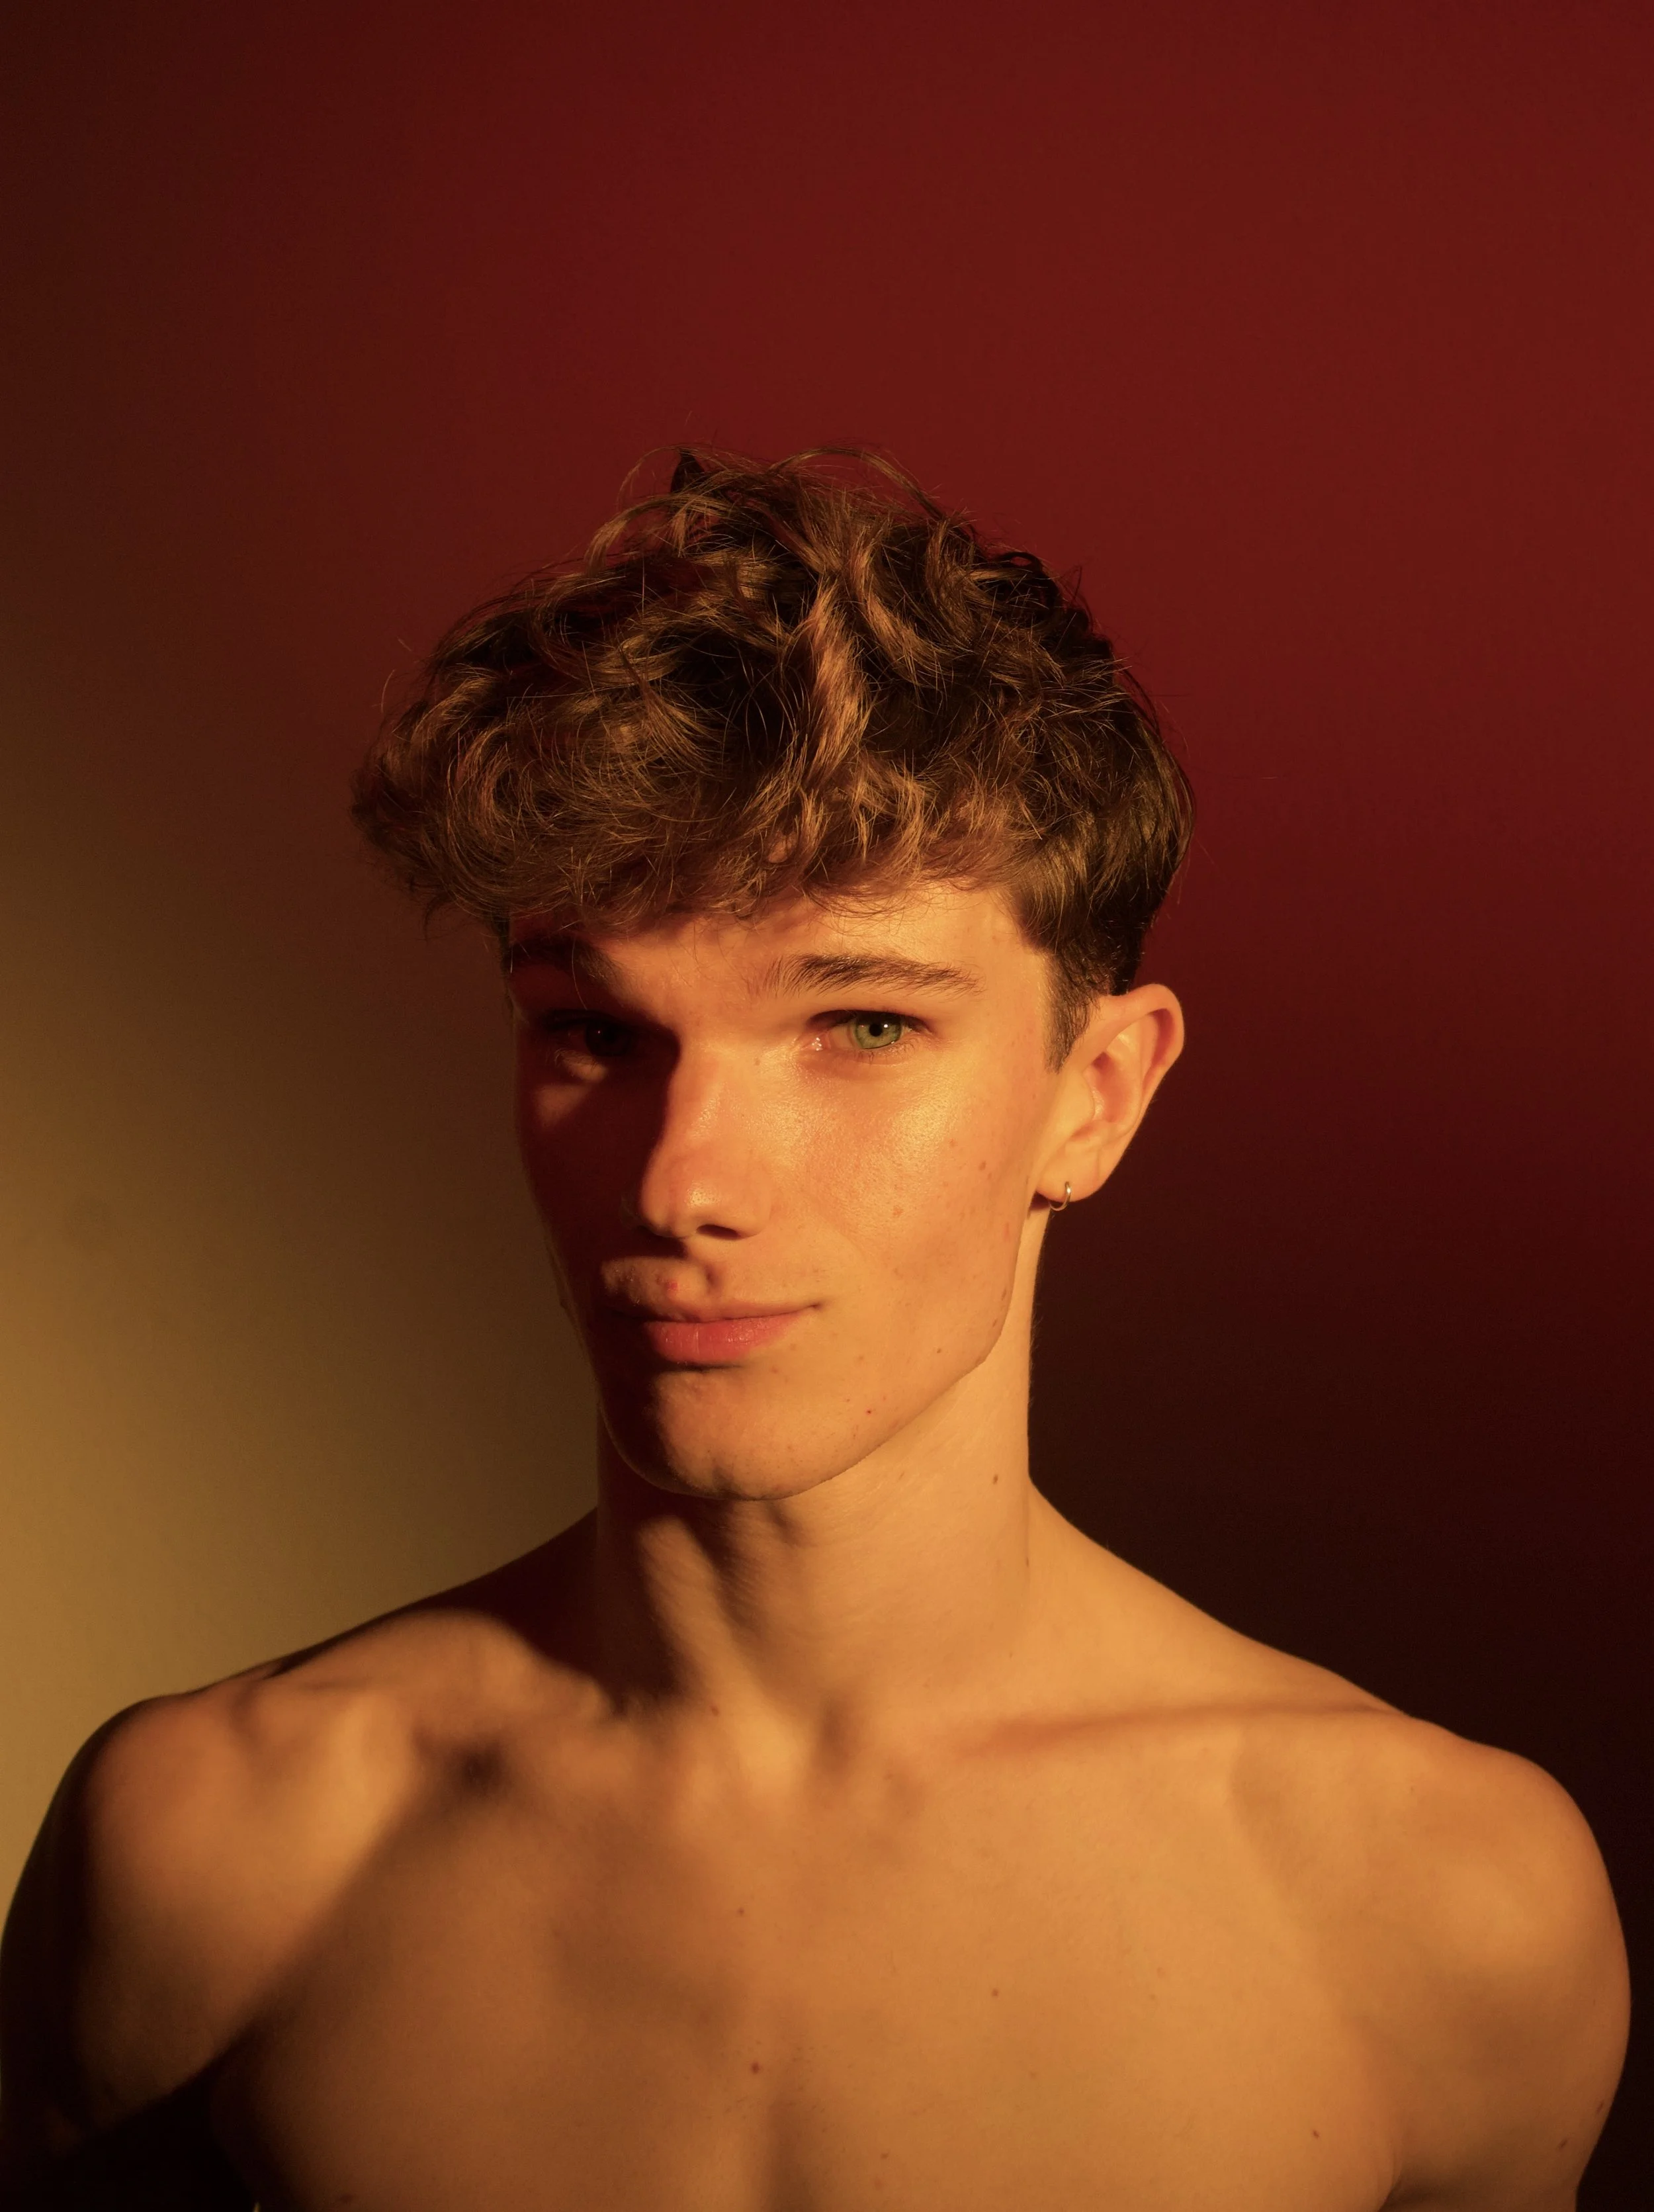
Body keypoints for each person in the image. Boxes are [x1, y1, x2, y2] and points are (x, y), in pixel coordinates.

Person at [0, 450, 1627, 2211]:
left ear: (1095, 1094)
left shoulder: (1433, 1903)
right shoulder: (214, 1847)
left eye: (860, 1026)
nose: (682, 1182)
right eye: (596, 1034)